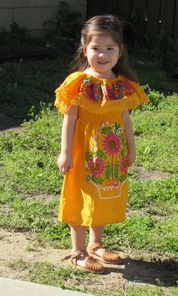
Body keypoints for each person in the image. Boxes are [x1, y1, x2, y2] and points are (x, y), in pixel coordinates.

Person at [55, 14, 149, 273]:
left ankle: (96, 245)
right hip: (82, 152)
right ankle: (78, 251)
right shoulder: (78, 82)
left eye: (110, 48)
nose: (103, 55)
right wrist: (65, 153)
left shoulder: (121, 85)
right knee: (80, 196)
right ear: (85, 49)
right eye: (96, 48)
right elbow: (69, 120)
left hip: (110, 154)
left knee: (102, 195)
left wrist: (131, 148)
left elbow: (125, 120)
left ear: (120, 51)